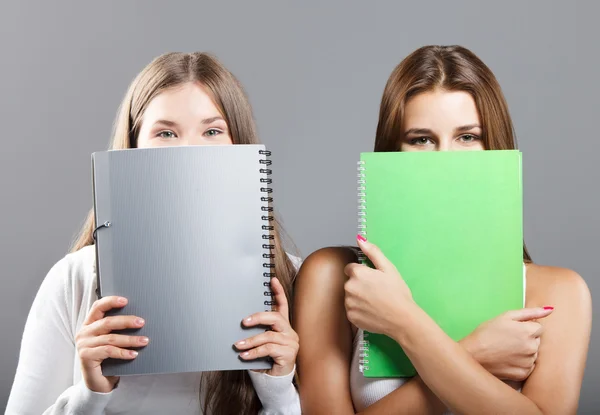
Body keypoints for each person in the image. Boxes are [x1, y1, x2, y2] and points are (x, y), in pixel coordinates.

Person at [294, 45, 592, 415]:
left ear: (493, 147)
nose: (445, 159)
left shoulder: (559, 292)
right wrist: (474, 354)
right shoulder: (332, 278)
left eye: (467, 137)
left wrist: (405, 323)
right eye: (421, 139)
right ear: (392, 151)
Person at [6, 52, 301, 415]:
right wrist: (89, 393)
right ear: (133, 146)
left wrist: (277, 389)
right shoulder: (75, 280)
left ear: (239, 144)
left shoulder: (293, 281)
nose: (189, 151)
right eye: (165, 132)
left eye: (212, 131)